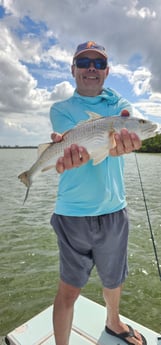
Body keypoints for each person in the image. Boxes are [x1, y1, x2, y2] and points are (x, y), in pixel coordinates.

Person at [50, 41, 146, 345]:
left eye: (99, 64)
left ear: (106, 72)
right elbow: (77, 145)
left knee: (114, 279)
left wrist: (128, 138)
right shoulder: (60, 109)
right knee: (69, 289)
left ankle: (113, 322)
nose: (92, 68)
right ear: (73, 69)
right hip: (73, 214)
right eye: (85, 62)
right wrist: (73, 150)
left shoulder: (118, 104)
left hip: (114, 209)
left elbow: (128, 122)